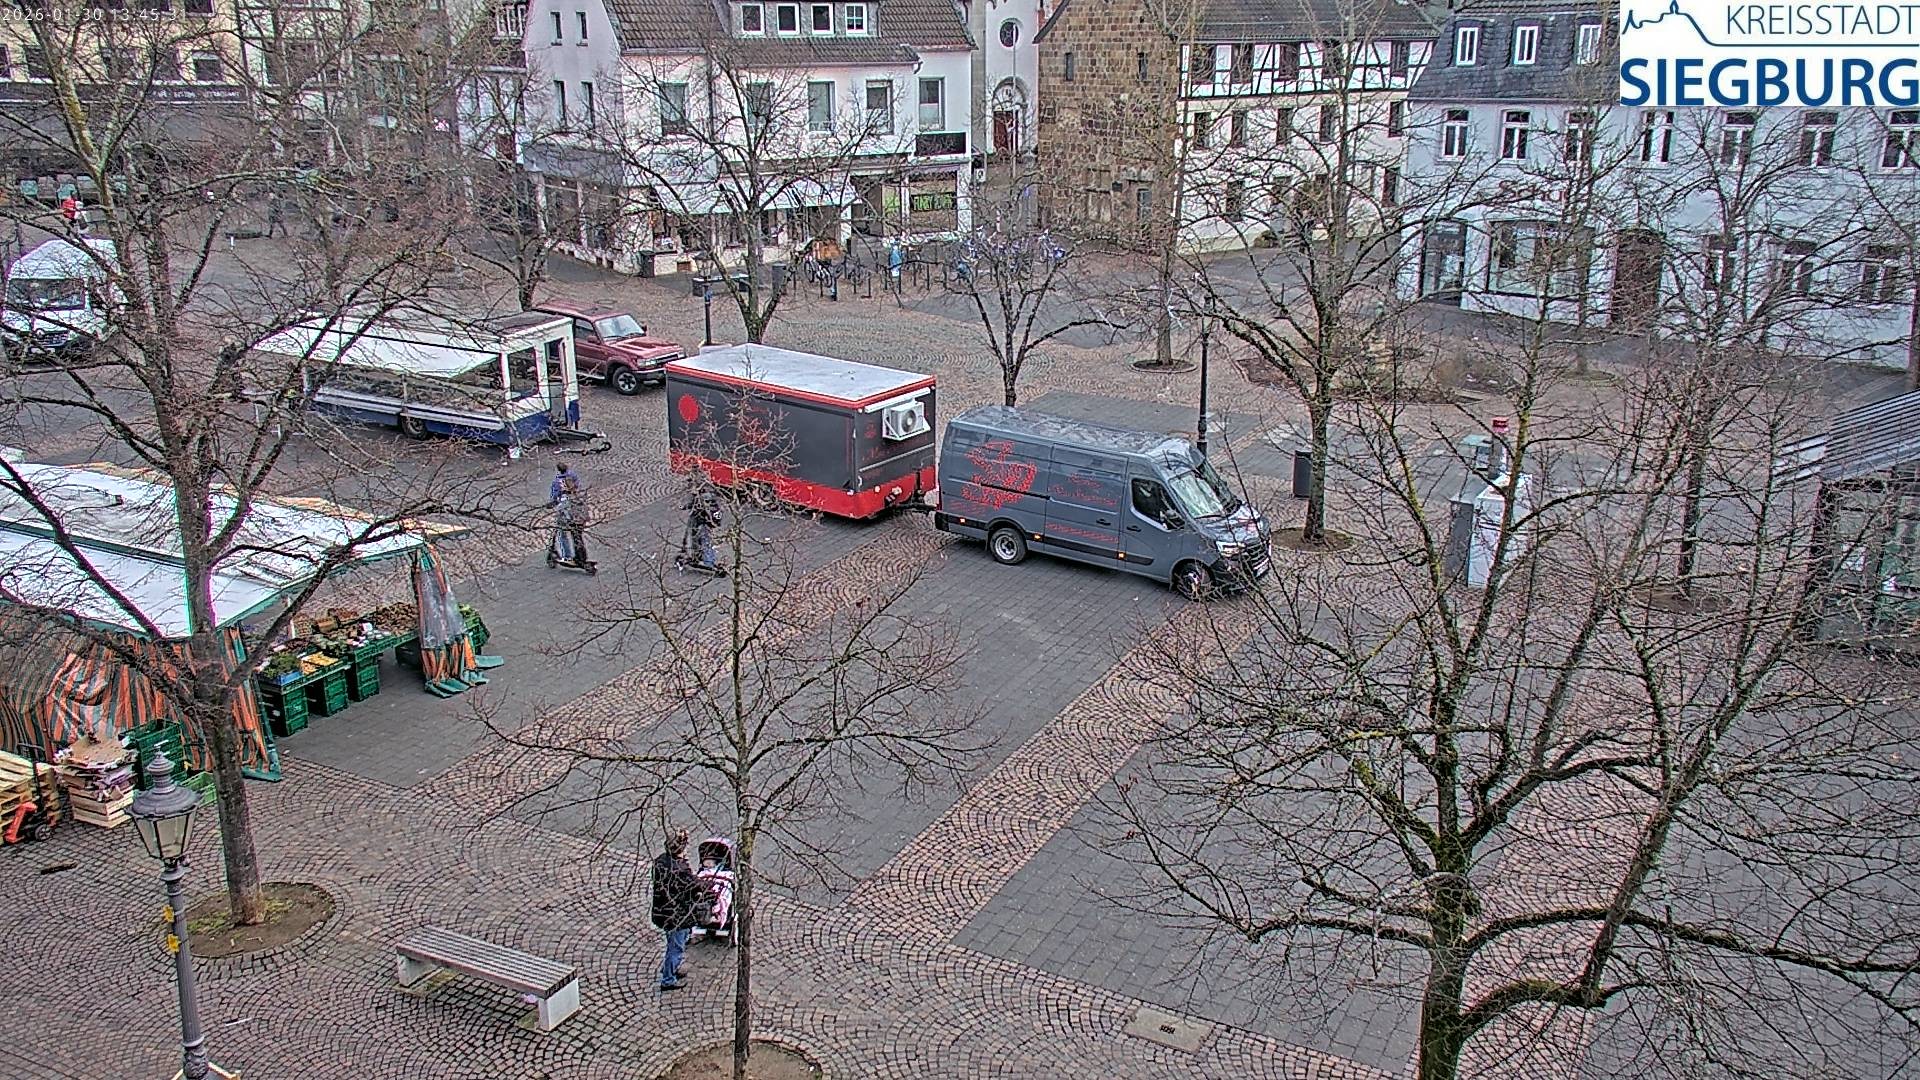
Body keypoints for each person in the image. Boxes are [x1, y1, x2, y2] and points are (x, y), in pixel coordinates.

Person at [650, 829, 703, 991]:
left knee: (673, 943)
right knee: (676, 947)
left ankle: (671, 968)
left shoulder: (660, 862)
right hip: (677, 916)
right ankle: (668, 979)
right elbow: (694, 885)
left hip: (664, 912)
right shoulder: (680, 870)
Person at [682, 483, 722, 572]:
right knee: (699, 540)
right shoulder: (710, 502)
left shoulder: (705, 502)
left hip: (704, 525)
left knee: (704, 541)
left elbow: (699, 509)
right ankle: (700, 556)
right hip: (703, 524)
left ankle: (708, 561)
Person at [554, 475, 590, 565]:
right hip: (581, 519)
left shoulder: (571, 496)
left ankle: (579, 558)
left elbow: (564, 506)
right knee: (578, 538)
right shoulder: (580, 493)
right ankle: (581, 557)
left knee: (576, 539)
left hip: (575, 520)